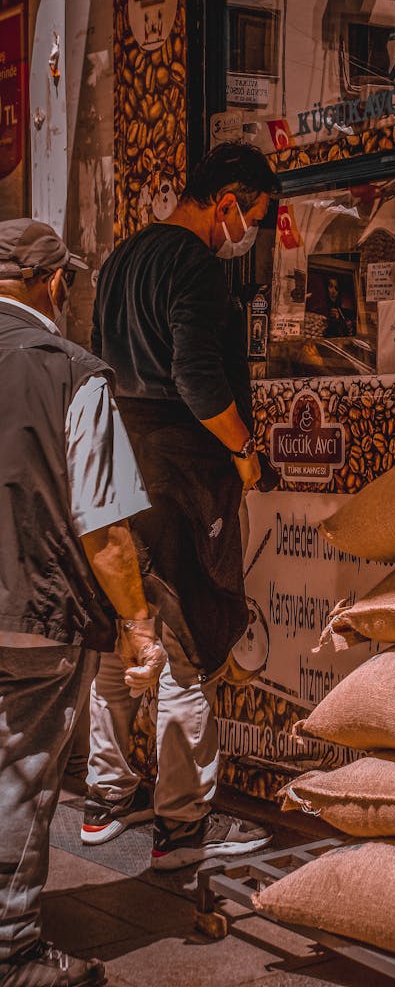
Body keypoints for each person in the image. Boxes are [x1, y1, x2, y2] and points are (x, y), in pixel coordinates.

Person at [87, 141, 279, 870]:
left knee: (126, 634)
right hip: (183, 474)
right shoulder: (196, 267)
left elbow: (106, 359)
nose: (248, 233)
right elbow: (199, 379)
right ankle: (183, 825)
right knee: (186, 646)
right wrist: (242, 450)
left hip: (125, 460)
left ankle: (106, 800)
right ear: (227, 202)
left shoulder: (121, 259)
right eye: (253, 217)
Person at [0, 218, 166, 986]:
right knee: (22, 775)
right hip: (31, 614)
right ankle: (12, 950)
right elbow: (103, 524)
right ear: (55, 283)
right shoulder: (72, 371)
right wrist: (139, 626)